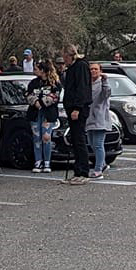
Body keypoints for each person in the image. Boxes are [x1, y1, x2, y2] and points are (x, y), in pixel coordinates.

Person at [60, 45, 93, 184]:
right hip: (70, 107)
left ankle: (84, 172)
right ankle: (77, 171)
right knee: (74, 140)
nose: (64, 60)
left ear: (70, 55)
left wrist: (77, 108)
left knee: (79, 140)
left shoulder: (81, 66)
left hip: (78, 108)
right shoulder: (71, 68)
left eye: (65, 57)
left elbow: (82, 88)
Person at [26, 61, 60, 174]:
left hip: (48, 114)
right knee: (36, 138)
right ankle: (38, 161)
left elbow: (55, 96)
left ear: (42, 70)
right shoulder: (33, 83)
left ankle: (47, 162)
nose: (34, 71)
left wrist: (42, 102)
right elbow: (28, 94)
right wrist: (35, 102)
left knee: (46, 137)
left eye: (36, 69)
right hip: (35, 114)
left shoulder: (54, 83)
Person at [85, 61, 112, 180]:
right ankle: (103, 164)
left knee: (98, 144)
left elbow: (106, 93)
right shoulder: (87, 84)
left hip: (100, 117)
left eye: (96, 69)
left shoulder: (103, 84)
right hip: (89, 117)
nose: (93, 71)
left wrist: (105, 81)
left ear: (100, 71)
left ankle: (98, 170)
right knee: (91, 143)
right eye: (91, 69)